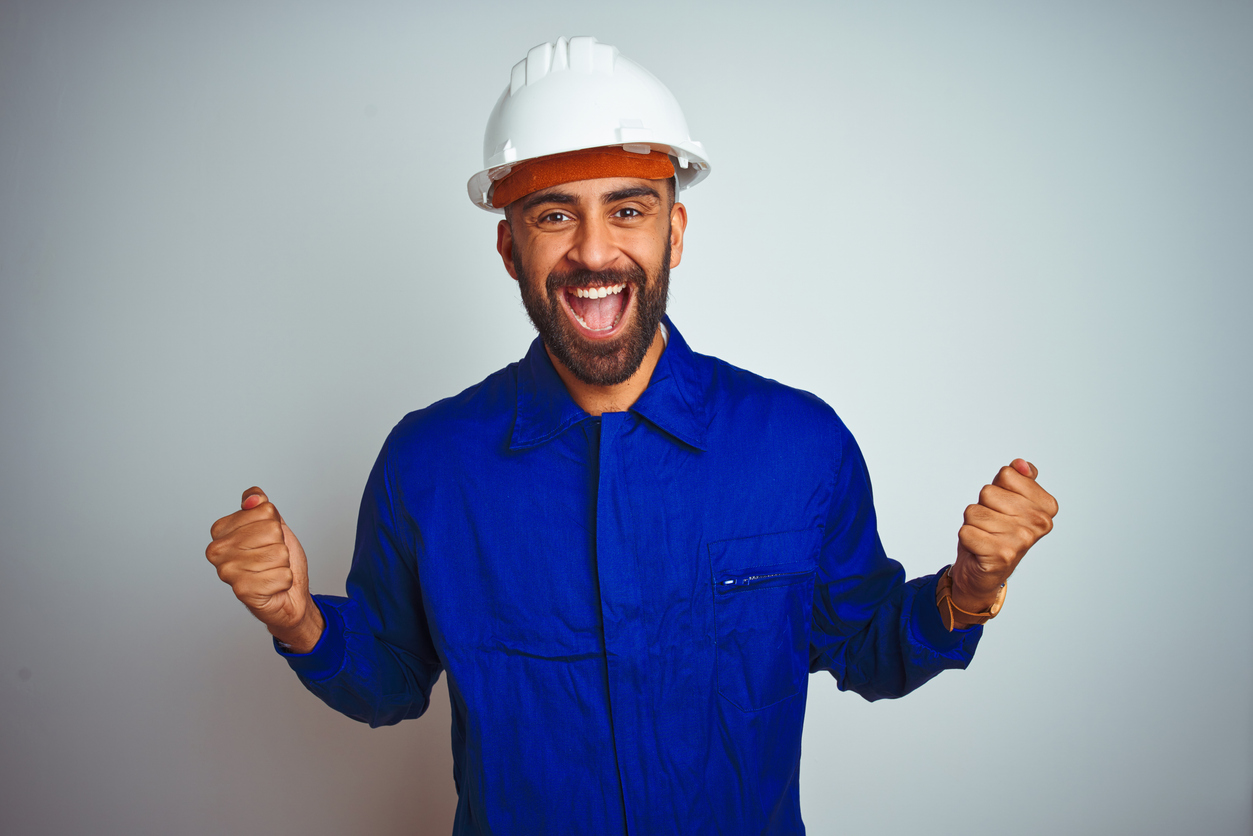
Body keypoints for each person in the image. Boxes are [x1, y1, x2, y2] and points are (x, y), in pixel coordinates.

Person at [206, 36, 1057, 835]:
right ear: (509, 248)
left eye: (627, 209)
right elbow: (390, 681)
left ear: (672, 233)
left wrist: (968, 589)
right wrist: (297, 620)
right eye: (553, 216)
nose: (593, 251)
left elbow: (868, 650)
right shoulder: (428, 464)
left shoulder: (798, 446)